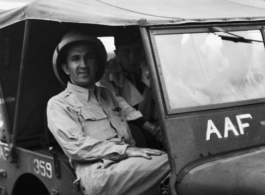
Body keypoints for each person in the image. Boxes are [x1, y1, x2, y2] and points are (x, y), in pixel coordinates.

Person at [47, 31, 170, 195]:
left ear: (97, 64)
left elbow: (131, 113)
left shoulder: (109, 95)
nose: (83, 64)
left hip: (128, 163)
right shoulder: (59, 104)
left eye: (89, 57)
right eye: (75, 59)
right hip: (99, 171)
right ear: (66, 68)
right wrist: (125, 151)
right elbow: (76, 146)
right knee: (176, 165)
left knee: (179, 159)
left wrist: (156, 132)